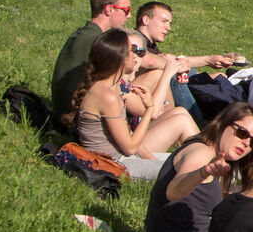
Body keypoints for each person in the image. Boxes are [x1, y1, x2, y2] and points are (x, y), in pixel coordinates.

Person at [145, 102, 253, 232]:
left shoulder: (207, 149)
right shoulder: (201, 154)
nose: (246, 143)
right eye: (242, 133)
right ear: (224, 124)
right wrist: (204, 172)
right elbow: (174, 191)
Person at [72, 29, 199, 179]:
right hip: (115, 164)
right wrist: (149, 108)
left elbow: (129, 137)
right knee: (191, 168)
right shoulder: (107, 96)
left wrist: (152, 161)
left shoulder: (112, 86)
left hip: (123, 157)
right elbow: (130, 147)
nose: (137, 55)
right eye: (132, 50)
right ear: (122, 58)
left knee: (194, 160)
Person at [50, 0, 133, 121]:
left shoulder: (85, 33)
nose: (129, 16)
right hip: (75, 118)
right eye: (126, 10)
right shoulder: (98, 41)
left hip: (65, 112)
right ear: (108, 9)